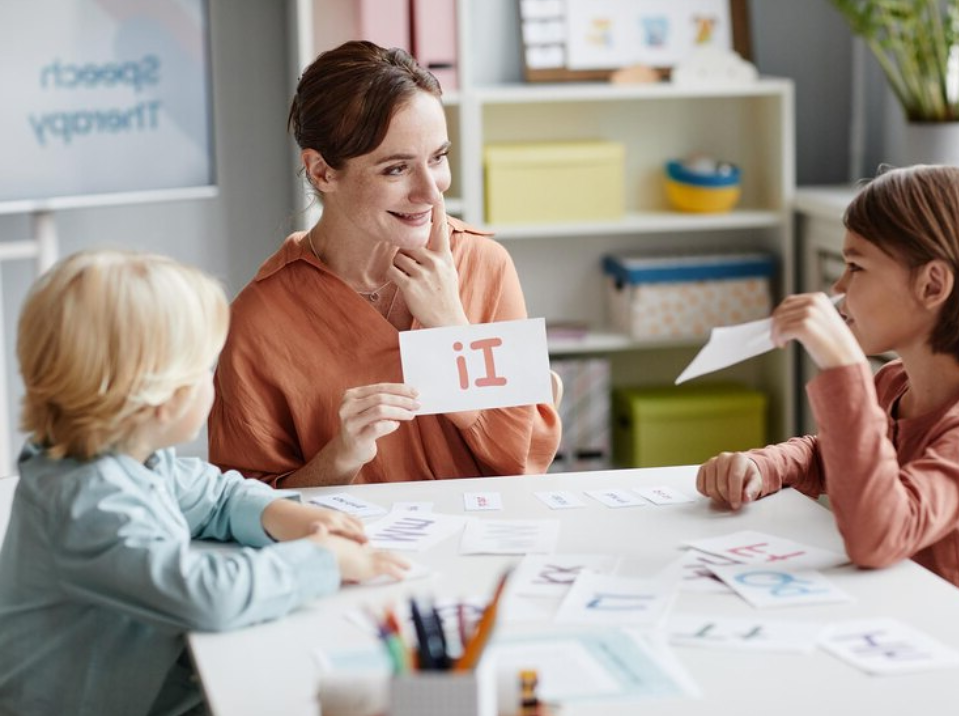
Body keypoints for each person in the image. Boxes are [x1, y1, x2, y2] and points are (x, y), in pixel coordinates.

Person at [0, 250, 407, 716]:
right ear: (161, 400)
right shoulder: (88, 504)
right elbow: (208, 596)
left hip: (153, 685)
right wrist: (322, 560)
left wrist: (282, 514)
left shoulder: (129, 460)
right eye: (202, 371)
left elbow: (214, 497)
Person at [696, 165, 959, 637]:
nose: (839, 287)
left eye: (856, 266)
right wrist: (765, 466)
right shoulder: (894, 384)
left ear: (932, 285)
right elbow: (831, 455)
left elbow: (880, 538)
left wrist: (844, 370)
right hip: (898, 623)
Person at [209, 40, 560, 488]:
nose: (432, 192)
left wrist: (452, 331)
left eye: (438, 158)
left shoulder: (484, 264)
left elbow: (525, 462)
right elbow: (239, 507)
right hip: (351, 554)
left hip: (486, 546)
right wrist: (340, 456)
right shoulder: (259, 319)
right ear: (321, 172)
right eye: (396, 169)